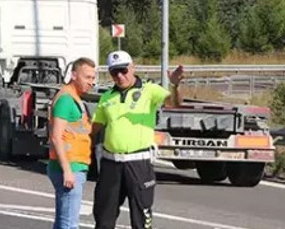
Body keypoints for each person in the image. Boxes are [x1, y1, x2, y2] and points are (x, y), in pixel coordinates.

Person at [91, 51, 185, 229]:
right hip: (111, 164)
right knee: (103, 218)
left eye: (123, 70)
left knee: (141, 219)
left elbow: (174, 103)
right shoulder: (107, 97)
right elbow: (93, 128)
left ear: (132, 68)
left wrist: (175, 85)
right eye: (114, 72)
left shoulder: (148, 90)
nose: (119, 76)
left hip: (138, 163)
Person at [47, 57, 97, 229]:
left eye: (92, 78)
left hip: (72, 165)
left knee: (63, 221)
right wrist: (68, 171)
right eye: (87, 77)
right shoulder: (66, 100)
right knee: (69, 223)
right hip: (69, 167)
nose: (91, 82)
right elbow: (56, 136)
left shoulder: (73, 97)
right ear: (74, 75)